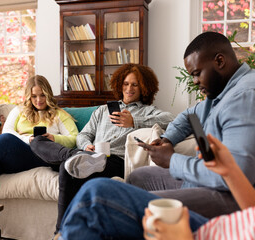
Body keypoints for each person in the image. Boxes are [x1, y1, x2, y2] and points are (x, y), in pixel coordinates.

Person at [126, 31, 255, 219]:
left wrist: (172, 160)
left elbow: (235, 177)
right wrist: (167, 139)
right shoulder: (221, 92)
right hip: (209, 179)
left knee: (139, 206)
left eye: (197, 74)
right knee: (137, 178)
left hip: (238, 196)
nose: (195, 82)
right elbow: (189, 117)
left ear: (219, 61)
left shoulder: (249, 97)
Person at [30, 63, 175, 232]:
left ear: (144, 88)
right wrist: (86, 146)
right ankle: (74, 155)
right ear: (119, 85)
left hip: (115, 160)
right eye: (126, 84)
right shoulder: (102, 111)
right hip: (89, 156)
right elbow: (83, 135)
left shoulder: (148, 112)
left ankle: (60, 232)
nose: (129, 88)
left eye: (135, 84)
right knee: (37, 141)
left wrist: (135, 122)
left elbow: (172, 119)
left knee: (66, 167)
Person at [56, 134, 255, 240]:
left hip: (198, 234)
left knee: (95, 198)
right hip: (220, 227)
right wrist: (231, 172)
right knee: (103, 194)